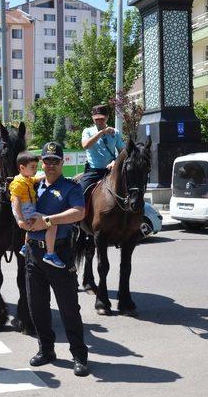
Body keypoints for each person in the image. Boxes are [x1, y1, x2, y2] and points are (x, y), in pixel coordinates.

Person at [22, 141, 90, 377]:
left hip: (60, 252)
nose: (50, 165)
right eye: (47, 160)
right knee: (37, 306)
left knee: (69, 307)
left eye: (55, 161)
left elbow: (79, 212)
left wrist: (50, 220)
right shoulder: (33, 186)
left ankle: (79, 355)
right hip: (33, 252)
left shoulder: (71, 188)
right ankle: (46, 349)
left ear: (63, 163)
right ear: (41, 162)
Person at [9, 151, 64, 268]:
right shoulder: (18, 183)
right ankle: (50, 254)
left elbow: (36, 179)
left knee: (30, 228)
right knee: (52, 224)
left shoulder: (26, 178)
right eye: (33, 167)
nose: (35, 169)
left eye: (36, 167)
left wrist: (47, 175)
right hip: (26, 210)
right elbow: (16, 201)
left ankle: (25, 248)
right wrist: (21, 220)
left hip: (28, 209)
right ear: (22, 168)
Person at [78, 104, 126, 195]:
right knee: (80, 192)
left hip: (112, 170)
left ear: (107, 117)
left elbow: (123, 152)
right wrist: (102, 132)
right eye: (96, 119)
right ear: (92, 118)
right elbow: (85, 145)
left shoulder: (115, 133)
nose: (99, 122)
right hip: (94, 171)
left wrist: (115, 162)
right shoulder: (87, 131)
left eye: (102, 119)